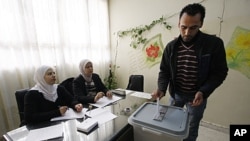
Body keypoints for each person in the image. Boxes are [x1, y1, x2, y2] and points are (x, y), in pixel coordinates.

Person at [151, 3, 228, 141]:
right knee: (171, 125)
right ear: (178, 24)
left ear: (201, 24)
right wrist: (161, 89)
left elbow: (220, 72)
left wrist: (203, 91)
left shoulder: (214, 44)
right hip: (176, 94)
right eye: (183, 27)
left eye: (193, 28)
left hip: (197, 98)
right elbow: (164, 71)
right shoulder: (171, 47)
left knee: (191, 129)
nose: (187, 32)